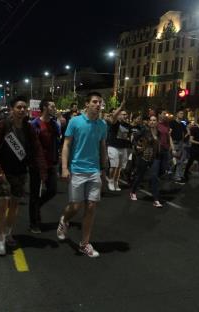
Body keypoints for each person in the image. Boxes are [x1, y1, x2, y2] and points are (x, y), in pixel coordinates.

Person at [0, 96, 47, 256]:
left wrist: (42, 169)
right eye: (19, 107)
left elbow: (36, 149)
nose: (22, 110)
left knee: (14, 206)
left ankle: (9, 233)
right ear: (12, 109)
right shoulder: (3, 126)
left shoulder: (28, 128)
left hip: (21, 172)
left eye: (24, 107)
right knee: (3, 206)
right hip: (4, 173)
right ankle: (0, 239)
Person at [57, 92, 107, 258]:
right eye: (94, 102)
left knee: (91, 206)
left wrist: (104, 169)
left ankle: (84, 244)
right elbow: (66, 145)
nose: (98, 105)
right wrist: (64, 168)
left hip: (94, 171)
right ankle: (64, 219)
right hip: (77, 169)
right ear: (87, 104)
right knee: (75, 206)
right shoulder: (75, 121)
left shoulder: (102, 124)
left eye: (100, 102)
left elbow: (102, 147)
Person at [28, 98, 60, 234]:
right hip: (36, 163)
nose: (55, 108)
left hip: (50, 162)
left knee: (52, 190)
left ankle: (37, 206)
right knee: (34, 193)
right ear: (45, 108)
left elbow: (58, 140)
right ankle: (33, 223)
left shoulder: (54, 124)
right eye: (52, 106)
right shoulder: (34, 124)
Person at [130, 115, 163, 208]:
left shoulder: (159, 133)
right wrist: (136, 146)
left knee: (154, 177)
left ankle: (156, 200)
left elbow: (159, 145)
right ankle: (133, 191)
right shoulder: (144, 130)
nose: (152, 122)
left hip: (155, 157)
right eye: (151, 120)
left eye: (154, 120)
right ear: (149, 122)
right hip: (144, 156)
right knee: (140, 176)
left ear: (157, 122)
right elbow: (134, 137)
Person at [106, 101, 131, 191]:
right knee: (113, 166)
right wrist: (120, 107)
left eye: (125, 114)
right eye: (122, 114)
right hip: (113, 146)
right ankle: (110, 181)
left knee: (119, 167)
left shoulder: (128, 125)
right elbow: (114, 116)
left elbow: (128, 136)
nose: (124, 116)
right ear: (119, 115)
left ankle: (116, 182)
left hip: (123, 147)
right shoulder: (115, 122)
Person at [184, 117, 199, 184]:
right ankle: (185, 173)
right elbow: (191, 140)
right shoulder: (194, 129)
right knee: (190, 162)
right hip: (194, 149)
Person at [170, 109, 188, 184]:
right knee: (173, 161)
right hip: (174, 143)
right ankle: (170, 174)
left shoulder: (182, 124)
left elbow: (187, 132)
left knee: (180, 161)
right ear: (177, 114)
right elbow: (169, 134)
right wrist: (171, 145)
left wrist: (183, 140)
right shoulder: (172, 123)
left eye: (182, 114)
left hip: (180, 143)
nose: (182, 115)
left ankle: (177, 177)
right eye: (180, 113)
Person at [156, 110, 172, 176]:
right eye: (164, 113)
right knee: (157, 166)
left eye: (166, 114)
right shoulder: (155, 123)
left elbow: (168, 136)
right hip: (158, 148)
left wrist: (170, 146)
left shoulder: (166, 124)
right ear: (159, 115)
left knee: (163, 167)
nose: (165, 115)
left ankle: (159, 177)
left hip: (166, 148)